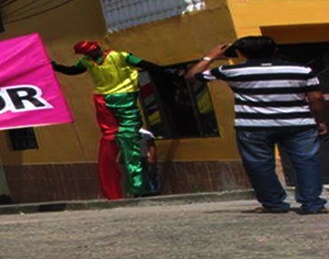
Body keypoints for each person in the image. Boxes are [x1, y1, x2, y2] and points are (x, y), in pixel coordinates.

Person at [186, 36, 327, 214]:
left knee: (259, 165)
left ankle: (274, 204)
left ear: (241, 53)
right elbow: (316, 98)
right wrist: (319, 120)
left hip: (253, 126)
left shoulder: (231, 71)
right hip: (299, 124)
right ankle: (312, 204)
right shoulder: (301, 69)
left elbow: (192, 76)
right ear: (274, 50)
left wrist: (210, 56)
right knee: (306, 162)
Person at [52, 42, 166, 200]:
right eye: (90, 53)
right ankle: (126, 189)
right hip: (103, 99)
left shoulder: (119, 56)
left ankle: (139, 187)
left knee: (128, 136)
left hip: (125, 97)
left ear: (98, 47)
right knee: (111, 136)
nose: (94, 54)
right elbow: (72, 71)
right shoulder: (86, 62)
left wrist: (167, 72)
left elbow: (144, 64)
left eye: (95, 51)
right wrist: (55, 66)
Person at [137, 128, 160, 196]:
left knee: (151, 174)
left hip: (145, 156)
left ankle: (154, 191)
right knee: (141, 175)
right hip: (136, 157)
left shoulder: (146, 134)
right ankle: (142, 191)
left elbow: (152, 146)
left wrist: (151, 157)